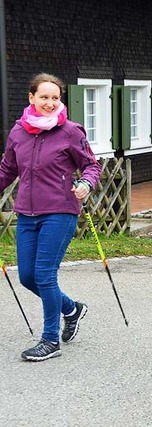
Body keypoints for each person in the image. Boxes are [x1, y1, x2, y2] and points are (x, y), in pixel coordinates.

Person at [0, 73, 101, 361]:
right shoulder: (18, 132)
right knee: (28, 277)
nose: (50, 102)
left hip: (60, 210)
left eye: (55, 98)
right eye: (44, 97)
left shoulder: (71, 131)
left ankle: (49, 340)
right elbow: (7, 170)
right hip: (27, 213)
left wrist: (86, 184)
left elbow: (91, 166)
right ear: (31, 98)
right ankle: (72, 309)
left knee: (45, 274)